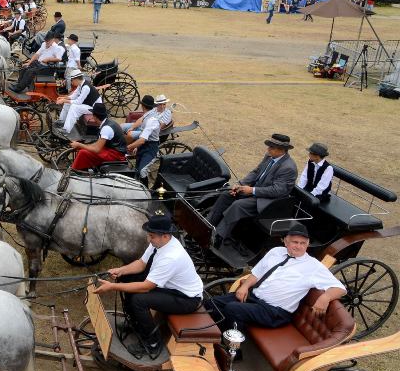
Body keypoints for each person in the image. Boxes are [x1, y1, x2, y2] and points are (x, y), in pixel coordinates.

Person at [94, 213, 203, 355]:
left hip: (187, 299)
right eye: (149, 235)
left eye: (151, 236)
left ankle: (153, 343)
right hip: (171, 289)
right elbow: (141, 264)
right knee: (126, 278)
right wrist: (121, 271)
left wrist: (112, 287)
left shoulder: (171, 257)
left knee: (139, 300)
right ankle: (134, 324)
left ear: (165, 235)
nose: (148, 239)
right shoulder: (160, 242)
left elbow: (146, 287)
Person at [207, 222, 345, 331]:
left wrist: (325, 297)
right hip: (253, 298)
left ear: (308, 244)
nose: (298, 247)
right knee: (211, 303)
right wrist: (245, 286)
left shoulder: (313, 266)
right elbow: (257, 273)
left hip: (274, 312)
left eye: (303, 243)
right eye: (295, 242)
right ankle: (213, 333)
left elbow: (340, 288)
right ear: (285, 241)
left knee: (233, 309)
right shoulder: (276, 251)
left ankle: (233, 349)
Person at [207, 133, 298, 245]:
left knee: (238, 205)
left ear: (282, 150)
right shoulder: (270, 156)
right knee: (227, 194)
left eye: (271, 147)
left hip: (269, 202)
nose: (268, 149)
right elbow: (255, 172)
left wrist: (252, 190)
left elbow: (277, 191)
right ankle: (207, 224)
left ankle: (218, 236)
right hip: (255, 192)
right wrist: (240, 184)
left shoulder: (288, 168)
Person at [70, 103, 127, 171]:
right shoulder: (108, 123)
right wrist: (84, 145)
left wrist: (80, 145)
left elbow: (97, 149)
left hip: (116, 155)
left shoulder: (106, 128)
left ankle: (75, 171)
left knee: (83, 153)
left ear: (95, 117)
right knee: (83, 150)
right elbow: (98, 144)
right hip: (112, 150)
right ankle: (82, 169)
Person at [125, 97, 164, 179]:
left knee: (142, 170)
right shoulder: (148, 114)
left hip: (151, 149)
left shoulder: (151, 120)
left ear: (142, 106)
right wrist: (136, 146)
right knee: (137, 169)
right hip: (144, 146)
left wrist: (128, 147)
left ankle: (146, 189)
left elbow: (142, 140)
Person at [56, 69, 101, 133]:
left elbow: (78, 102)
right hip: (88, 105)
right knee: (67, 104)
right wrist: (64, 98)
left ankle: (66, 130)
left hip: (94, 108)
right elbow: (74, 95)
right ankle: (61, 121)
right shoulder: (81, 84)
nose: (71, 82)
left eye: (72, 80)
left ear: (76, 79)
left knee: (74, 107)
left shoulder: (85, 87)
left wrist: (64, 100)